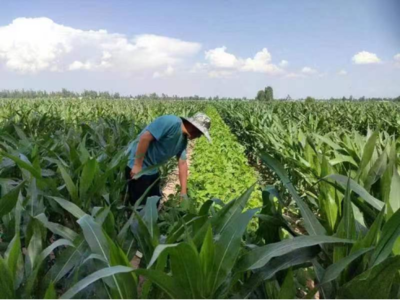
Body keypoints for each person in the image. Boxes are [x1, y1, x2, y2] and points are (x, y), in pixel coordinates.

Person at [125, 112, 211, 206]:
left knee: (154, 203)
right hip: (138, 166)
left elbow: (182, 164)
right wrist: (137, 165)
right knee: (139, 206)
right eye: (200, 133)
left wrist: (183, 192)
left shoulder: (183, 141)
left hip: (152, 169)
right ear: (195, 127)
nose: (198, 136)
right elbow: (145, 138)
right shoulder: (171, 122)